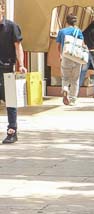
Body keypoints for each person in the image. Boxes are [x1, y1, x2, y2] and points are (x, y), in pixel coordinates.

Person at [0, 0, 27, 144]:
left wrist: (21, 64)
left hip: (7, 68)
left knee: (10, 101)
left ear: (2, 10)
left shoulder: (11, 26)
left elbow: (18, 47)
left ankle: (12, 131)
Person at [57, 14, 84, 106]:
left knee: (65, 77)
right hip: (76, 56)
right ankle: (72, 99)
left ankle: (65, 88)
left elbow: (59, 46)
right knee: (75, 79)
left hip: (66, 56)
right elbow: (82, 45)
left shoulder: (62, 31)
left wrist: (60, 55)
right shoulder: (78, 31)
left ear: (66, 21)